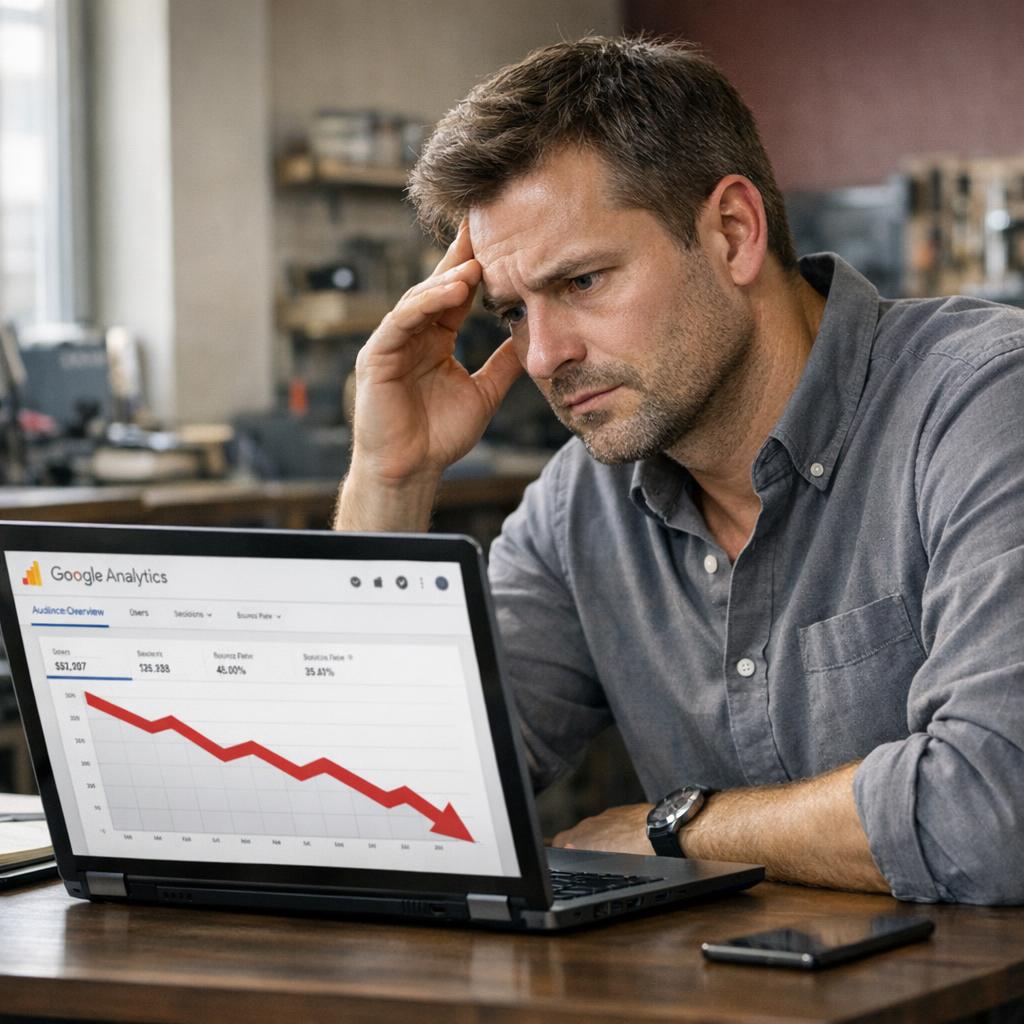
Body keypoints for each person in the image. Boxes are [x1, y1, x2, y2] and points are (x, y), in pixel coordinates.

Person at [333, 36, 1024, 904]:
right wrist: (390, 479)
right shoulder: (582, 505)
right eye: (513, 313)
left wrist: (680, 828)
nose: (543, 355)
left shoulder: (982, 402)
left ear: (732, 232)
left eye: (582, 282)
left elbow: (996, 810)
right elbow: (381, 803)